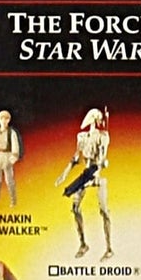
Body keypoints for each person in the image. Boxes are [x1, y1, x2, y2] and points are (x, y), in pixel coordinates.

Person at [59, 108, 112, 259]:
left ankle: (109, 248)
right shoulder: (82, 137)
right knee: (75, 208)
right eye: (98, 118)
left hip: (96, 175)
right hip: (86, 176)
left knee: (104, 211)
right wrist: (64, 174)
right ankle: (83, 244)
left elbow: (102, 158)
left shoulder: (103, 137)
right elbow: (76, 158)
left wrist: (101, 162)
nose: (100, 121)